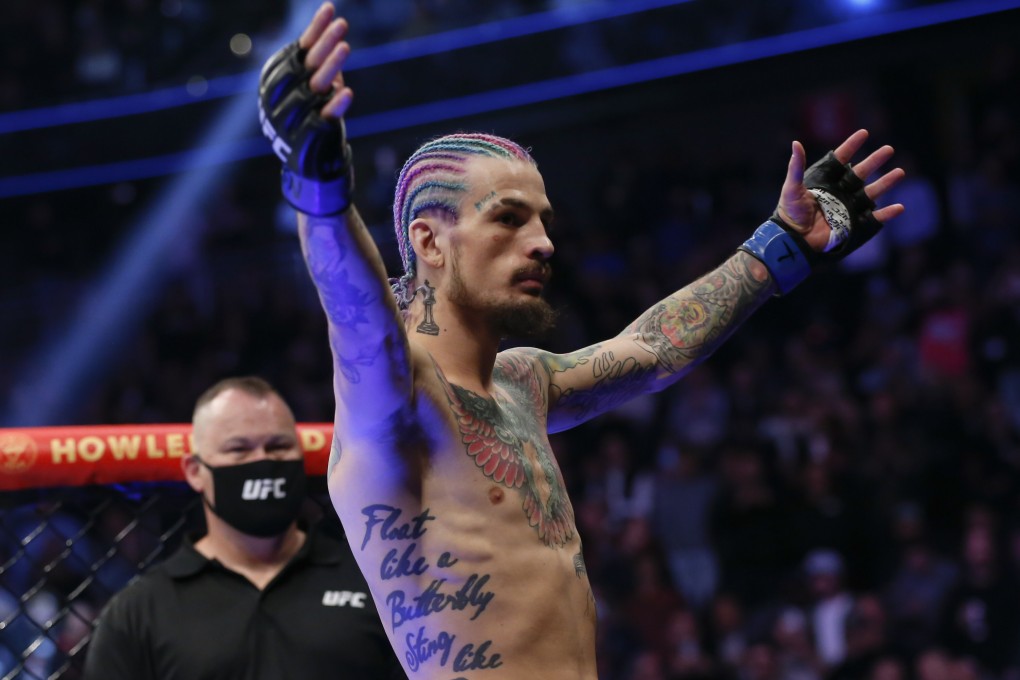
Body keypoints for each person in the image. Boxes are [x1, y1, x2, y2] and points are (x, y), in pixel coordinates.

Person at [257, 4, 906, 677]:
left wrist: (776, 251)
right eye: (508, 219)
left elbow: (654, 350)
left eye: (543, 221)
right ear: (428, 240)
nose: (543, 243)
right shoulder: (397, 397)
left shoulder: (524, 383)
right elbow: (356, 315)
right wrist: (318, 186)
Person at [83, 376, 404, 679]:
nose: (262, 461)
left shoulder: (372, 584)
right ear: (195, 471)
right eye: (238, 449)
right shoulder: (139, 612)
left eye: (278, 446)